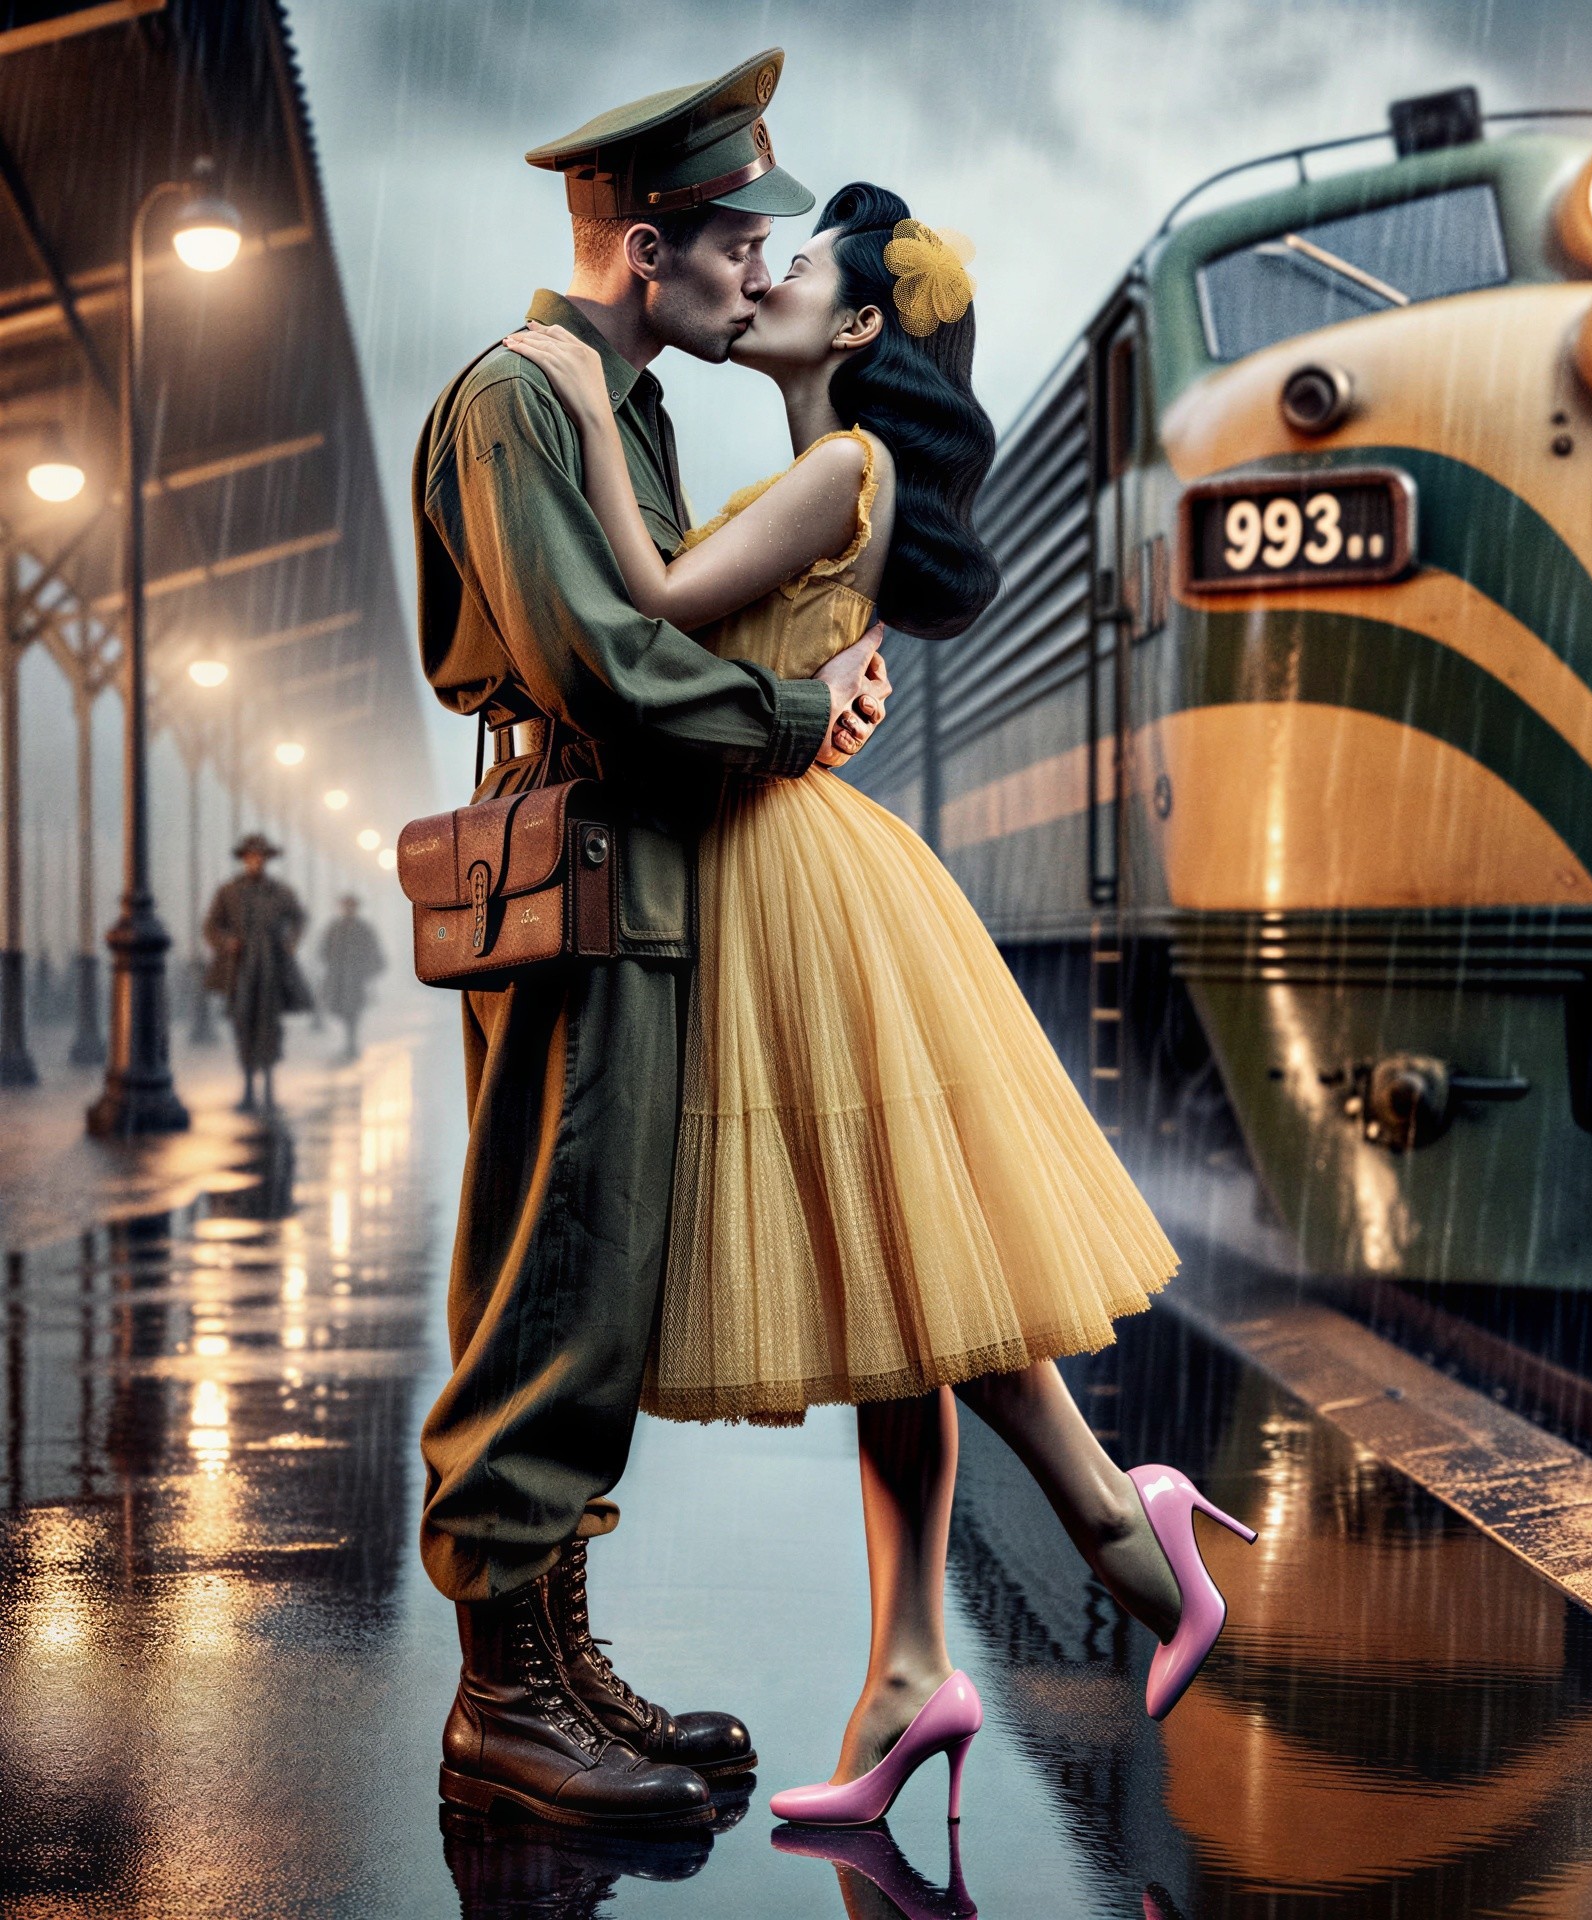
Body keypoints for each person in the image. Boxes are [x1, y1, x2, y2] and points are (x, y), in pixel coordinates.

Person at [505, 179, 1255, 1828]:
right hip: (798, 864)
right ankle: (917, 1665)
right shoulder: (827, 473)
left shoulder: (839, 464)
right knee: (896, 1284)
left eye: (798, 271)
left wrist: (568, 392)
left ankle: (1125, 1533)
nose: (758, 277)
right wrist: (805, 683)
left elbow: (632, 612)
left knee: (906, 1271)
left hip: (786, 879)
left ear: (854, 330)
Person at [412, 49, 893, 1834]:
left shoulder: (627, 404)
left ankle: (558, 1666)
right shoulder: (526, 399)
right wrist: (784, 713)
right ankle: (505, 1706)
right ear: (648, 249)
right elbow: (593, 660)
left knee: (592, 1280)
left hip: (639, 875)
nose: (756, 276)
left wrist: (802, 684)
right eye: (736, 249)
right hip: (587, 867)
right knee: (552, 1275)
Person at [203, 832, 311, 1113]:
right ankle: (249, 1089)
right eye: (251, 857)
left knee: (269, 1026)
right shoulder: (228, 892)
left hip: (272, 970)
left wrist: (290, 942)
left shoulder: (281, 892)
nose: (255, 862)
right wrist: (227, 943)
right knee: (242, 1024)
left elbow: (299, 918)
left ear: (266, 860)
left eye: (260, 857)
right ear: (244, 860)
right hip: (239, 970)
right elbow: (212, 926)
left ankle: (269, 1089)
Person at [318, 895, 385, 1061]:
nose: (348, 909)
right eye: (346, 906)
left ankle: (351, 1041)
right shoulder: (334, 928)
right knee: (340, 1008)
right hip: (338, 978)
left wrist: (366, 970)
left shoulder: (363, 929)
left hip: (356, 978)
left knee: (354, 1010)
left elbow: (373, 951)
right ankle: (349, 1039)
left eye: (351, 906)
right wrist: (333, 965)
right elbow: (324, 950)